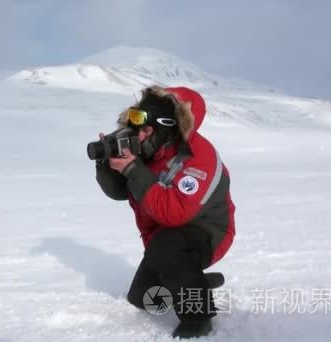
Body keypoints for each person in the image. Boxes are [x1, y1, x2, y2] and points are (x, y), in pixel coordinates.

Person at [95, 85, 235, 338]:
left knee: (167, 246)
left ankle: (198, 318)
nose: (140, 134)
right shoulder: (152, 149)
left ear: (166, 126)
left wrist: (133, 169)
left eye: (146, 129)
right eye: (137, 126)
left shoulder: (198, 158)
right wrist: (108, 165)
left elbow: (175, 213)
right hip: (165, 235)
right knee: (144, 299)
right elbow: (119, 192)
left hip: (208, 232)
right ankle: (195, 282)